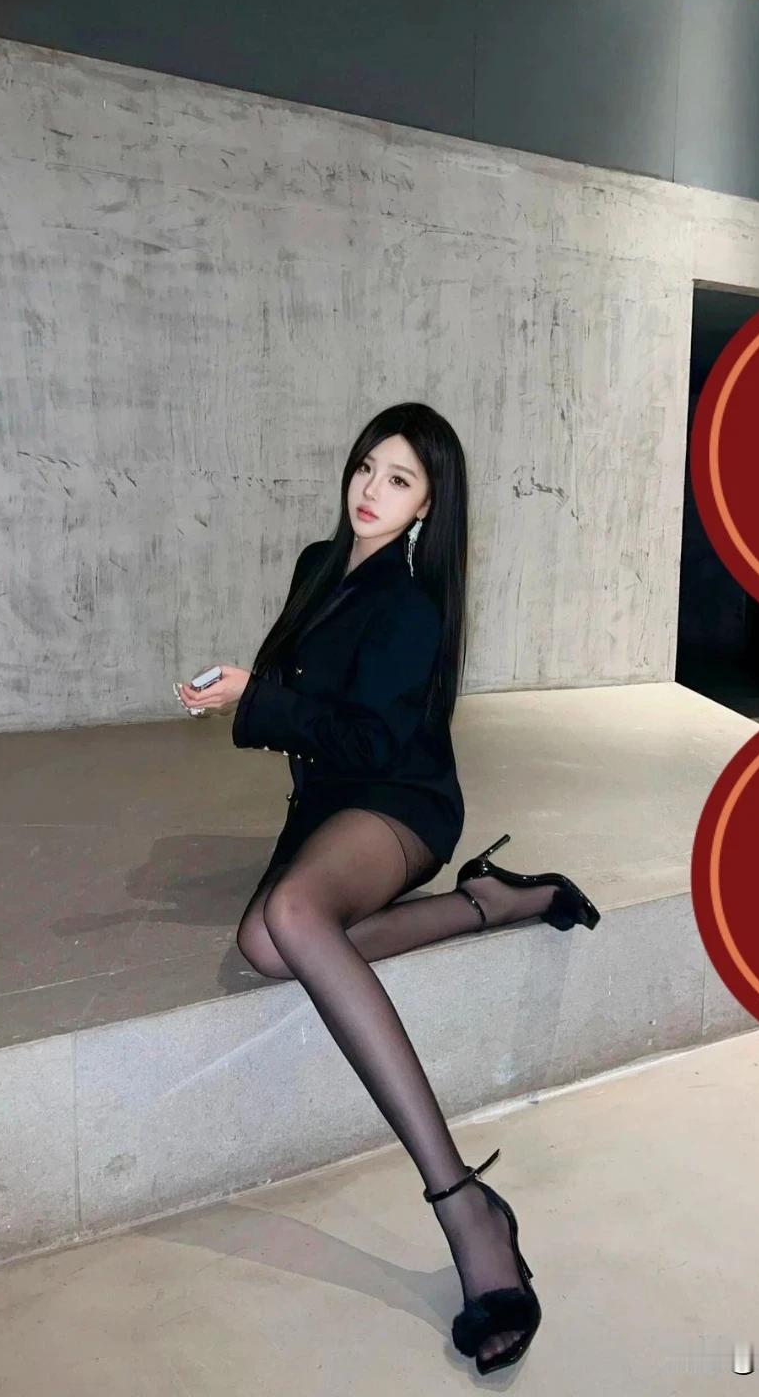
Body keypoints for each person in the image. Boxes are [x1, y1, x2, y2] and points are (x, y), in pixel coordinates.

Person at [175, 402, 600, 1375]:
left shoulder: (411, 606)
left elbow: (370, 740)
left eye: (399, 479)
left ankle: (464, 1204)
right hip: (327, 804)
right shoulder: (315, 565)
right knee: (266, 948)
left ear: (427, 506)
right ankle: (492, 901)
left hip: (400, 803)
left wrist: (257, 698)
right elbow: (303, 696)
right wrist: (242, 692)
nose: (370, 490)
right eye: (368, 466)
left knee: (293, 915)